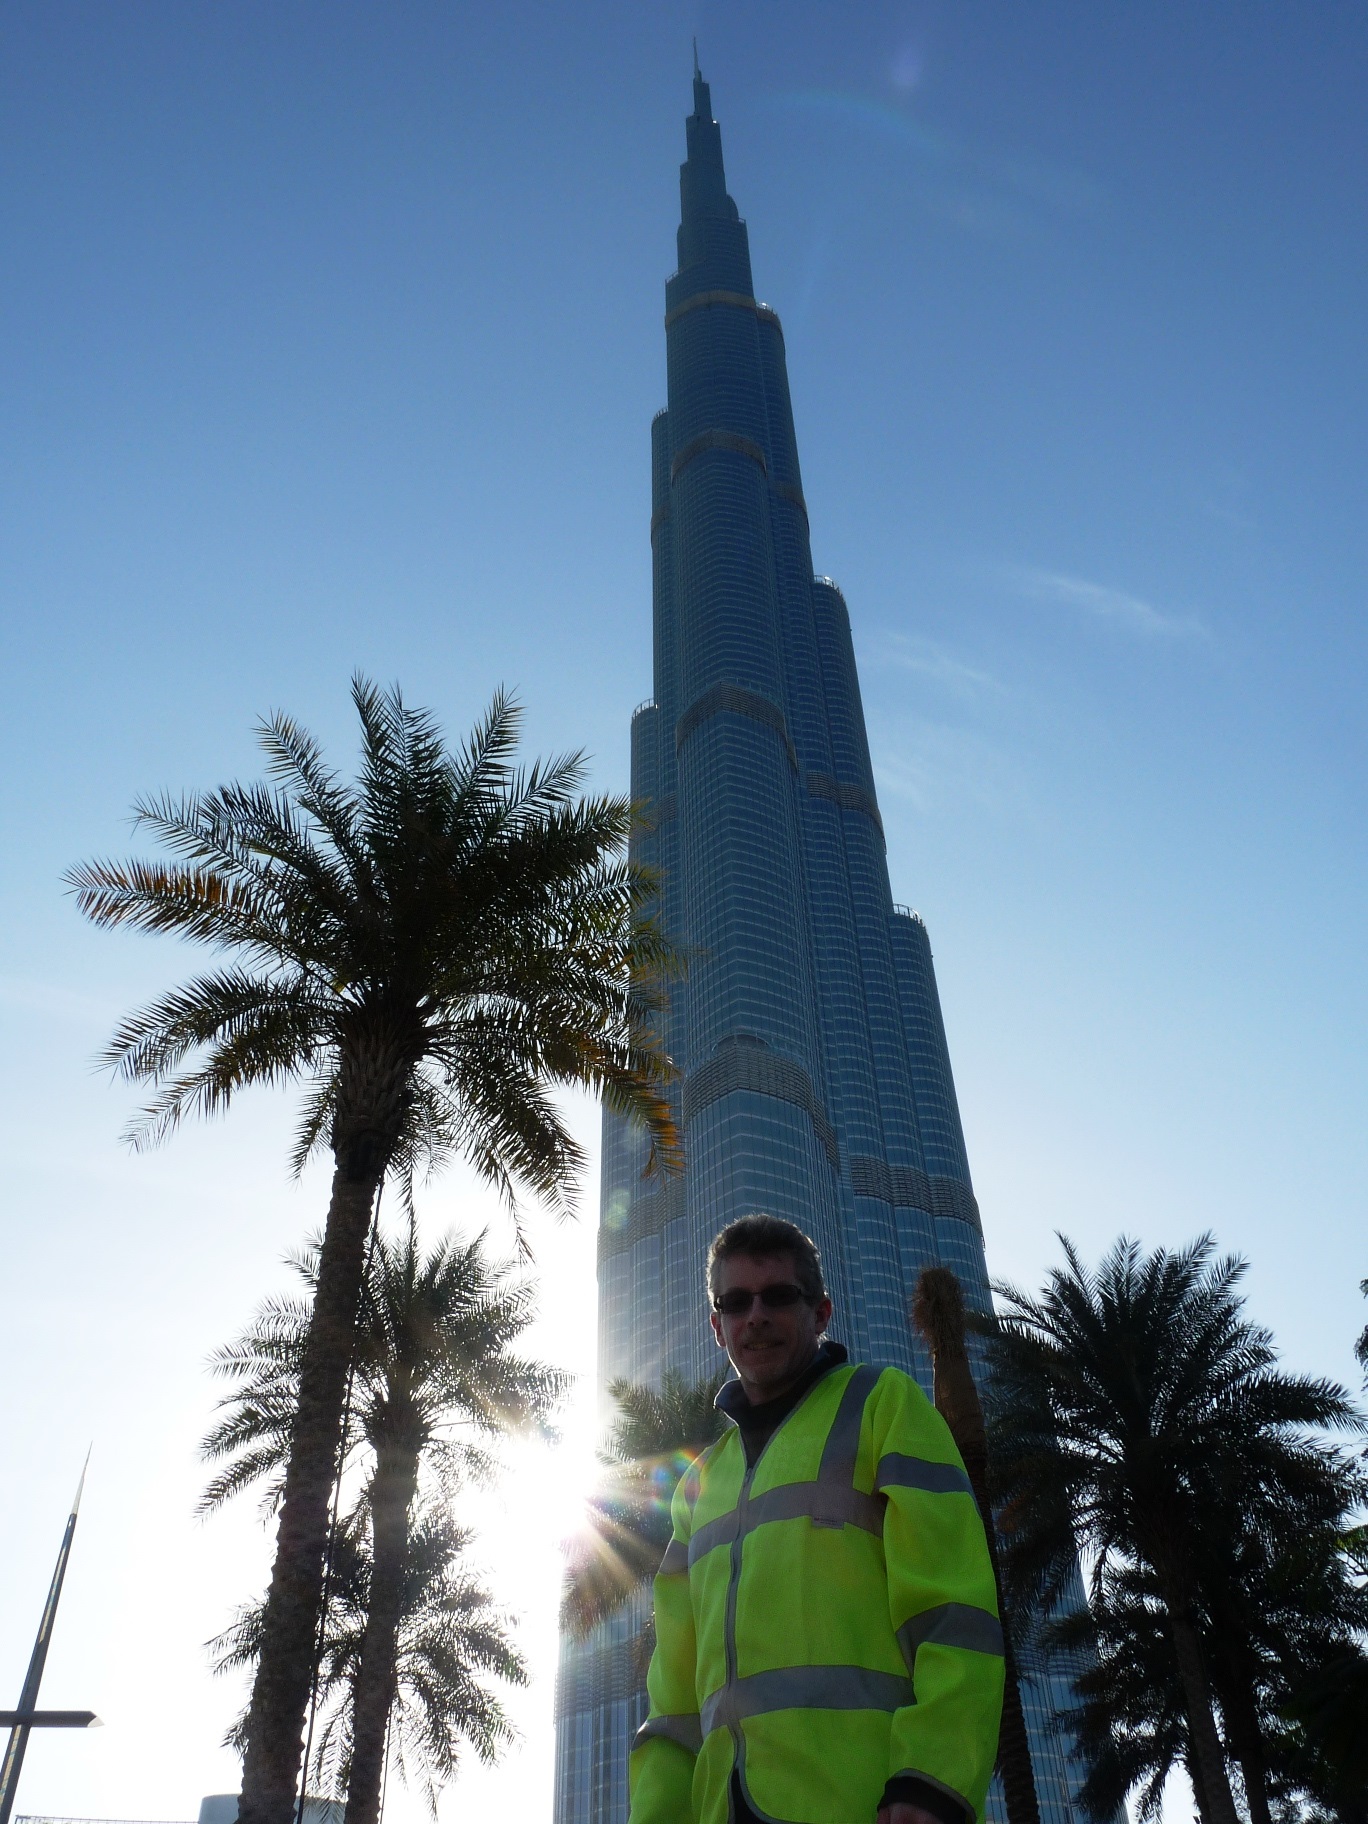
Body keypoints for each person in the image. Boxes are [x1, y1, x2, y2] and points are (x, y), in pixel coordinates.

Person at [628, 1214, 1004, 1824]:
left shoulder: (883, 1404)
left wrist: (933, 1781)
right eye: (736, 1302)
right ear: (716, 1327)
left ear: (821, 1312)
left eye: (779, 1296)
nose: (756, 1315)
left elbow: (953, 1613)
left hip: (873, 1803)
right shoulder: (699, 1483)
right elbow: (672, 1699)